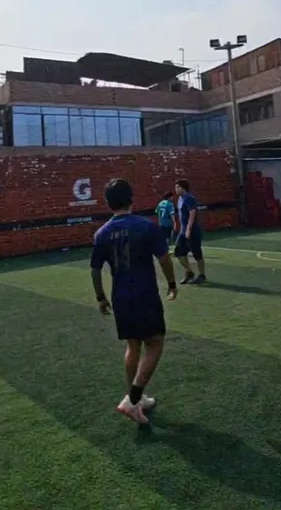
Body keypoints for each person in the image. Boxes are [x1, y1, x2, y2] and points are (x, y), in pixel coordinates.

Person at [90, 179, 179, 425]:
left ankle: (136, 400)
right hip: (145, 294)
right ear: (131, 198)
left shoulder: (102, 233)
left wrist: (100, 297)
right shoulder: (145, 226)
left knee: (133, 345)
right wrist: (172, 283)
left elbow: (95, 269)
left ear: (108, 203)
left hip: (120, 296)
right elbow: (163, 257)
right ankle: (133, 399)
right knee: (155, 342)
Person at [173, 179, 207, 284]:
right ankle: (189, 272)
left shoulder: (189, 198)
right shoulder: (180, 199)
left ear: (183, 188)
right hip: (182, 231)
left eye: (177, 187)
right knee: (179, 253)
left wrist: (188, 229)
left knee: (197, 253)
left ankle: (202, 275)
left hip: (192, 231)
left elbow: (192, 213)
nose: (175, 189)